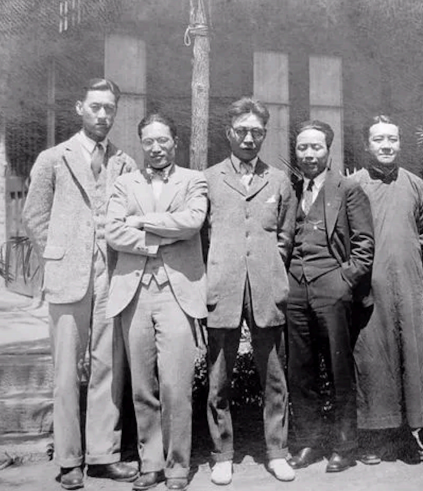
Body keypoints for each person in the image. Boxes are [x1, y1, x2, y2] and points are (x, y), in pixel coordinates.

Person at [23, 78, 139, 490]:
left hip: (111, 276)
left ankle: (104, 455)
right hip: (68, 276)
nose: (103, 115)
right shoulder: (53, 158)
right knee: (66, 371)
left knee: (109, 366)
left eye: (110, 108)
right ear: (79, 108)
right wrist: (57, 255)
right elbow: (34, 216)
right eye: (95, 107)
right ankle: (69, 459)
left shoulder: (124, 162)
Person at [105, 113, 207, 491]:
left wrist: (141, 221)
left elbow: (192, 222)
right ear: (141, 144)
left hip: (177, 292)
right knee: (142, 385)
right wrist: (158, 238)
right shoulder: (124, 183)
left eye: (163, 140)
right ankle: (150, 462)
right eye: (148, 141)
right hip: (134, 292)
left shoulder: (194, 180)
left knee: (176, 385)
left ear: (175, 141)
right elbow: (114, 232)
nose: (156, 148)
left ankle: (177, 466)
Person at [204, 97, 296, 485]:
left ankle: (277, 452)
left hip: (265, 290)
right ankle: (222, 454)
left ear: (264, 135)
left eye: (256, 132)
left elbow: (285, 237)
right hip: (222, 289)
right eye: (241, 130)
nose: (248, 138)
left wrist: (268, 269)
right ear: (229, 133)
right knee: (218, 379)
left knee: (274, 379)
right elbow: (202, 237)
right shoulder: (208, 179)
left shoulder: (278, 180)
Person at [287, 120, 374, 473]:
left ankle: (344, 446)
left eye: (316, 147)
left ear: (328, 150)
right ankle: (308, 441)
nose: (309, 154)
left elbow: (364, 245)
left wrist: (343, 282)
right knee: (300, 370)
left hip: (333, 288)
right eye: (302, 148)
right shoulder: (291, 189)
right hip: (295, 288)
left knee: (339, 369)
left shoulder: (348, 189)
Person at [350, 115, 423, 464]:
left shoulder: (415, 185)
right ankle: (372, 436)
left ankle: (407, 434)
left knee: (410, 355)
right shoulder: (352, 185)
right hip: (368, 289)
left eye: (392, 139)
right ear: (366, 144)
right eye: (379, 139)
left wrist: (406, 262)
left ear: (400, 143)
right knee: (372, 357)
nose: (386, 145)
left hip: (407, 286)